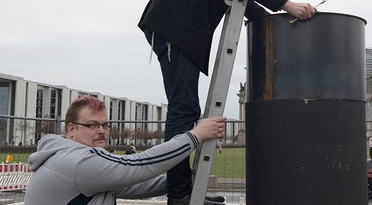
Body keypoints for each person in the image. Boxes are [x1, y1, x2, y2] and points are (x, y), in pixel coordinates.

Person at [137, 0, 317, 205]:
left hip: (185, 33)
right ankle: (179, 194)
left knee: (187, 110)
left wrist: (266, 21)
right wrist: (287, 4)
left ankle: (187, 190)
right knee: (183, 110)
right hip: (172, 27)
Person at [24, 96, 225, 205]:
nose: (102, 131)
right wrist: (196, 135)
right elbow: (139, 165)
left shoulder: (64, 156)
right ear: (71, 129)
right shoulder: (78, 162)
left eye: (105, 125)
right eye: (92, 125)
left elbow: (130, 186)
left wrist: (183, 181)